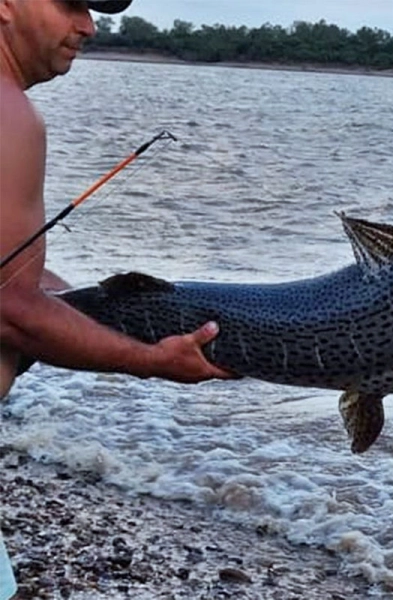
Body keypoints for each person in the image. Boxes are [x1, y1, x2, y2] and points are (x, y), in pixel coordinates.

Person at [0, 1, 234, 597]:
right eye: (70, 4)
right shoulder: (9, 116)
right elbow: (10, 308)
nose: (88, 26)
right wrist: (151, 359)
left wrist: (92, 299)